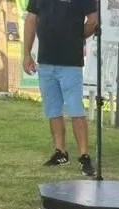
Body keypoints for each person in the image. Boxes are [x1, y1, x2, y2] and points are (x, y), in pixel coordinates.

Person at [23, 0, 98, 177]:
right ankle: (60, 152)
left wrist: (74, 37)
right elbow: (31, 20)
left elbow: (93, 21)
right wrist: (26, 54)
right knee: (53, 108)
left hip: (70, 62)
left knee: (75, 109)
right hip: (46, 61)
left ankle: (84, 155)